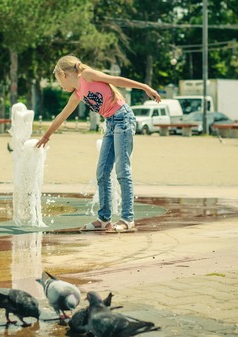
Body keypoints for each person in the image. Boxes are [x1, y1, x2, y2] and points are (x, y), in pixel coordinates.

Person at [36, 55, 161, 233]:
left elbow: (116, 80)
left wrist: (145, 87)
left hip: (123, 118)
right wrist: (46, 136)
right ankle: (104, 219)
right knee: (102, 173)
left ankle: (128, 219)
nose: (60, 86)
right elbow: (61, 116)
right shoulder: (78, 93)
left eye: (58, 81)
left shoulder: (87, 75)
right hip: (110, 122)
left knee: (122, 171)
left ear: (63, 74)